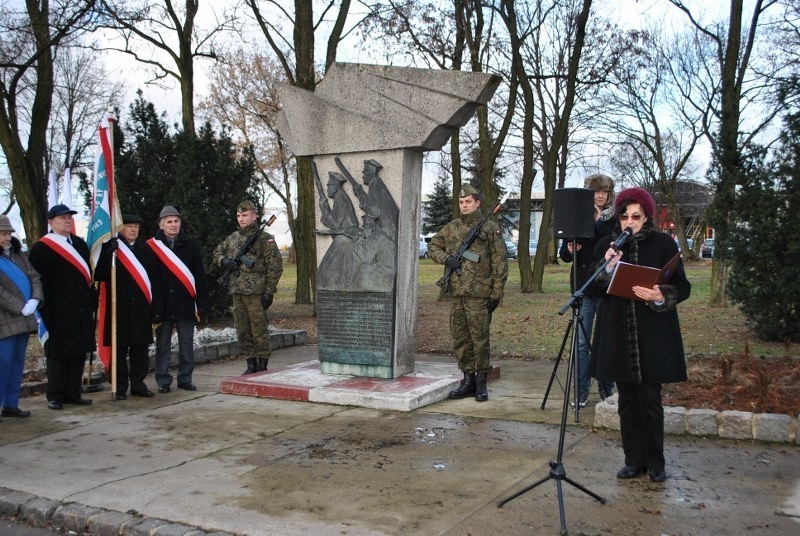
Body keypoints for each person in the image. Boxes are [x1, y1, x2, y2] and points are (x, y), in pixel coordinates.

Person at [590, 187, 691, 483]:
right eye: (624, 216)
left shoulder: (663, 244)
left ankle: (655, 463)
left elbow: (682, 287)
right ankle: (633, 460)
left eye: (636, 216)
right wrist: (606, 267)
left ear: (646, 217)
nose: (629, 221)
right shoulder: (606, 245)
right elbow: (593, 286)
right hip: (617, 332)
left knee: (650, 399)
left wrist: (661, 293)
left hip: (653, 333)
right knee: (627, 401)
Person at [428, 185, 508, 402]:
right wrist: (446, 259)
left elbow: (500, 263)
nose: (464, 206)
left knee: (480, 339)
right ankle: (467, 380)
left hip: (479, 294)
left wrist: (496, 294)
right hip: (456, 293)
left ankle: (481, 383)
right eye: (461, 202)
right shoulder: (451, 228)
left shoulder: (490, 228)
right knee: (460, 338)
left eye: (468, 202)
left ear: (477, 203)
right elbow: (432, 246)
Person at [29, 204, 96, 410]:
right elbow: (39, 281)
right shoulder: (42, 248)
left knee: (77, 353)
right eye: (62, 218)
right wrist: (45, 311)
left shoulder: (79, 244)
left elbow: (89, 277)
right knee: (58, 355)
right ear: (51, 222)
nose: (67, 221)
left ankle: (73, 392)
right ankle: (55, 395)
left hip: (81, 308)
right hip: (57, 310)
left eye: (69, 217)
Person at [558, 174, 617, 407]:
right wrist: (571, 251)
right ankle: (581, 391)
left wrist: (598, 220)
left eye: (604, 191)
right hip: (583, 289)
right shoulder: (576, 217)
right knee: (582, 344)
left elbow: (613, 242)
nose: (600, 195)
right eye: (596, 191)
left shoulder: (614, 219)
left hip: (607, 289)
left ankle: (606, 390)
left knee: (606, 342)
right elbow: (563, 255)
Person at [95, 214, 163, 399]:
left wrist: (157, 308)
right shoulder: (112, 248)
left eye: (136, 226)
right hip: (119, 309)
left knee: (140, 350)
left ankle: (138, 384)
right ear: (120, 228)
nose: (134, 230)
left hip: (141, 308)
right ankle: (120, 386)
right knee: (119, 349)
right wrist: (108, 252)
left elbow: (155, 280)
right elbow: (99, 275)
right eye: (129, 226)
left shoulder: (145, 250)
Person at [213, 200, 283, 375]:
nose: (241, 219)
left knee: (259, 329)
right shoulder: (233, 238)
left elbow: (275, 267)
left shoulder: (264, 239)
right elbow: (217, 252)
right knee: (242, 329)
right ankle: (250, 363)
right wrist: (225, 261)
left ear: (254, 216)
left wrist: (269, 291)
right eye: (238, 216)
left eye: (244, 215)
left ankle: (262, 364)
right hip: (237, 291)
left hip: (255, 293)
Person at [147, 206, 209, 392]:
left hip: (185, 304)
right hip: (163, 305)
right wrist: (154, 307)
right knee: (163, 345)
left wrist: (202, 303)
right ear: (161, 224)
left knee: (187, 344)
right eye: (169, 221)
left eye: (176, 221)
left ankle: (185, 379)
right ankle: (163, 381)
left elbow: (200, 276)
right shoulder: (151, 247)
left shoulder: (191, 246)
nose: (174, 225)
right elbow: (150, 278)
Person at [0, 215, 43, 419]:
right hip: (5, 319)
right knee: (3, 363)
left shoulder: (19, 255)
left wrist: (35, 299)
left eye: (8, 233)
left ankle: (11, 404)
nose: (6, 237)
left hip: (25, 318)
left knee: (17, 363)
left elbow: (34, 276)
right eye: (2, 233)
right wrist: (20, 307)